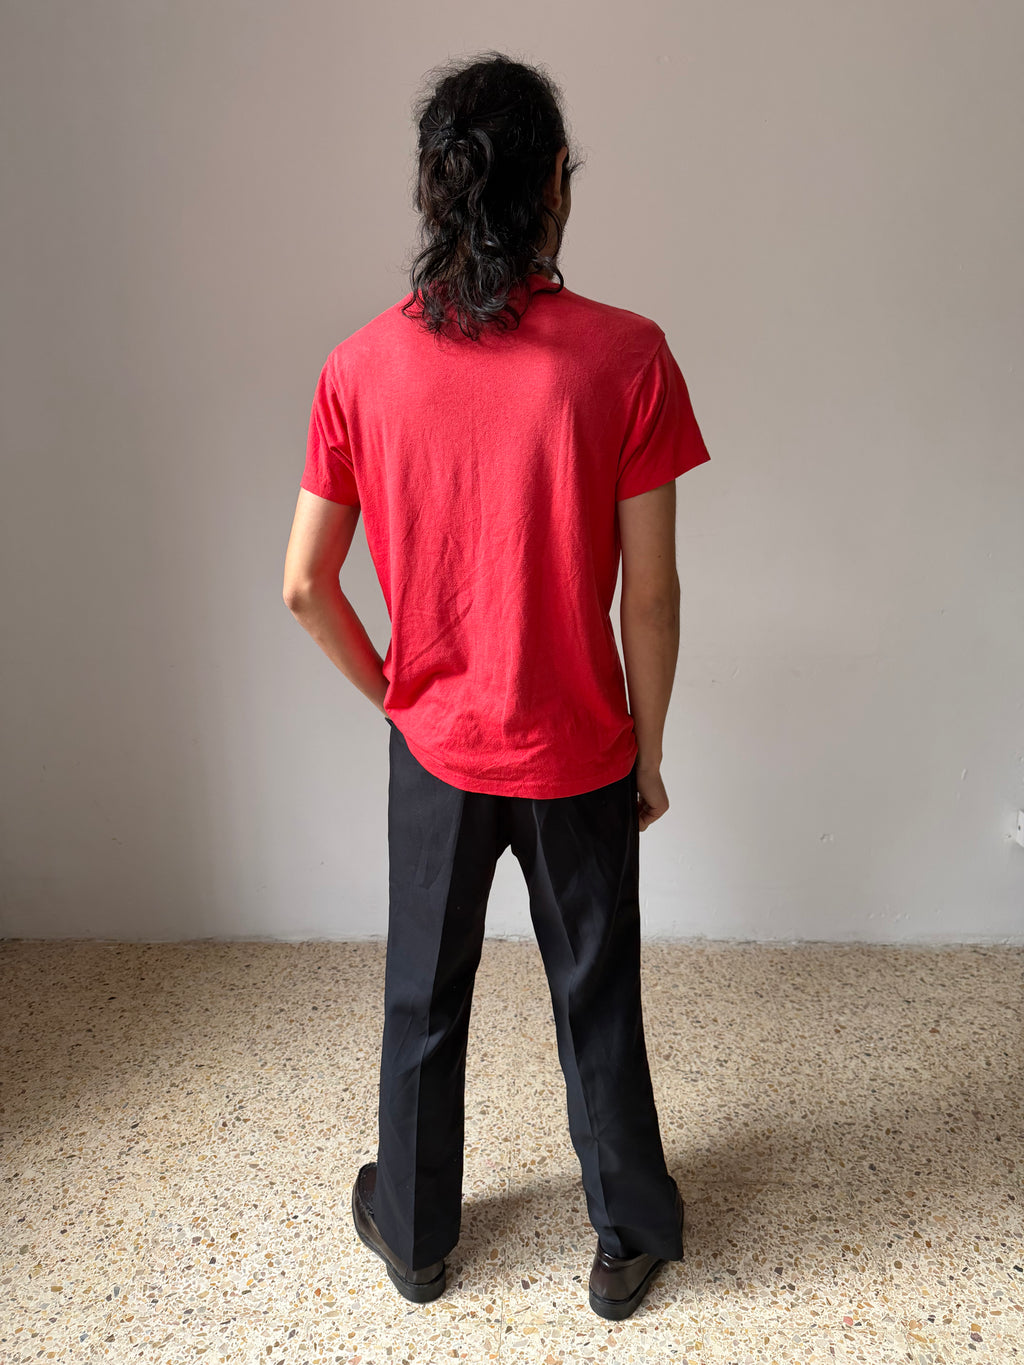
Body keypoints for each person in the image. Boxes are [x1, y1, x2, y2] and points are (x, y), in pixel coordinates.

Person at [282, 51, 711, 1321]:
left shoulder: (358, 368)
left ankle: (415, 1235)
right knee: (597, 989)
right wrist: (647, 749)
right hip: (578, 741)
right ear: (553, 191)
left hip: (439, 745)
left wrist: (399, 699)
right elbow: (653, 592)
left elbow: (305, 585)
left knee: (424, 987)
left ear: (435, 195)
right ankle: (627, 1230)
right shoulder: (627, 357)